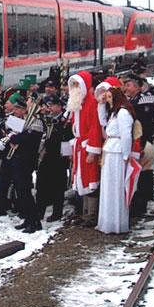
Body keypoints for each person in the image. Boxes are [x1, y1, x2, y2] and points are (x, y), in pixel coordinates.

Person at [0, 95, 45, 233]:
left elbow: (29, 139)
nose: (16, 111)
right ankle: (28, 219)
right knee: (20, 191)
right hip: (17, 159)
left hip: (27, 160)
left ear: (25, 109)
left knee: (25, 192)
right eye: (16, 108)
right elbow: (9, 132)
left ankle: (34, 221)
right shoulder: (22, 121)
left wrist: (16, 138)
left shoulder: (36, 122)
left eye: (19, 108)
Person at [95, 78, 135, 234]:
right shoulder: (114, 113)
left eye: (110, 98)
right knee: (108, 187)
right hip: (110, 151)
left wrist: (126, 154)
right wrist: (100, 104)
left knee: (116, 187)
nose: (108, 101)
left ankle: (116, 223)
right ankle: (107, 222)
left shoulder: (123, 113)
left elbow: (126, 135)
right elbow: (103, 122)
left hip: (118, 152)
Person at [66, 71, 103, 226]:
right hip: (79, 146)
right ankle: (83, 212)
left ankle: (91, 214)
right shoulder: (76, 104)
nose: (75, 88)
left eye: (77, 85)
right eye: (72, 85)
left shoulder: (92, 104)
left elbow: (95, 128)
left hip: (87, 147)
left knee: (90, 180)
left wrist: (92, 151)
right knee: (80, 179)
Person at [124, 73, 154, 219]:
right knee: (141, 171)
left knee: (143, 171)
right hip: (138, 140)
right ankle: (141, 201)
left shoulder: (144, 100)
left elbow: (145, 122)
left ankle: (142, 204)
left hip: (143, 140)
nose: (125, 88)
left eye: (129, 85)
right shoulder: (133, 99)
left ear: (138, 87)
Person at [36, 95, 72, 222]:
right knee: (41, 185)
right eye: (48, 105)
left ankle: (57, 213)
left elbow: (67, 137)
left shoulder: (65, 120)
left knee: (58, 186)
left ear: (59, 106)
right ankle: (39, 212)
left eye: (52, 105)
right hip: (47, 154)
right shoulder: (47, 119)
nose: (49, 108)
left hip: (59, 156)